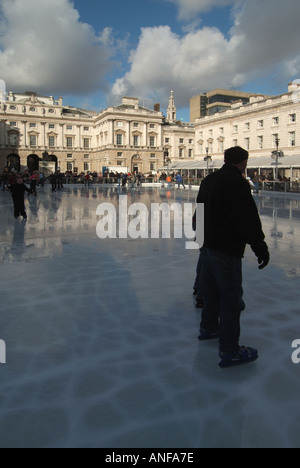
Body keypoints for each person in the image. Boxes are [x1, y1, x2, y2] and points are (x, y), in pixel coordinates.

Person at [196, 146, 270, 368]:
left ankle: (209, 327)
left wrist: (201, 240)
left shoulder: (209, 179)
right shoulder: (237, 182)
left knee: (211, 291)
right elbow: (247, 218)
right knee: (231, 298)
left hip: (207, 246)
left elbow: (198, 211)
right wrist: (260, 247)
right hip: (225, 248)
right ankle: (230, 350)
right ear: (243, 162)